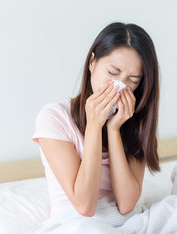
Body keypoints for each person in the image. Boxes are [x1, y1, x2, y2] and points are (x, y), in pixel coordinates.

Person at [32, 22, 161, 220]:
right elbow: (84, 206)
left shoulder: (135, 121)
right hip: (75, 225)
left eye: (133, 80)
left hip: (124, 223)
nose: (120, 86)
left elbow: (126, 205)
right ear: (92, 62)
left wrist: (113, 130)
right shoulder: (54, 118)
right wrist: (94, 125)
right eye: (113, 72)